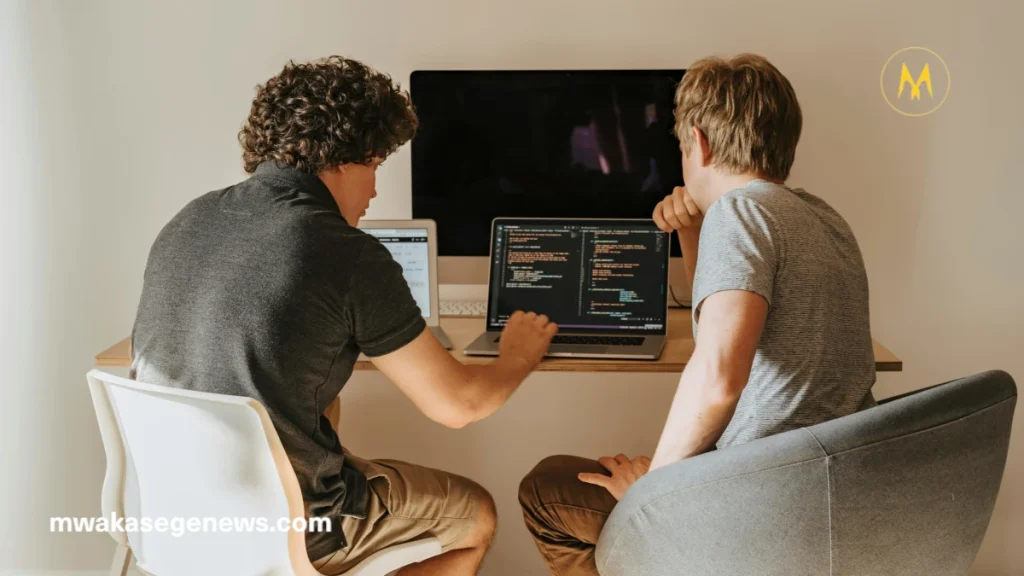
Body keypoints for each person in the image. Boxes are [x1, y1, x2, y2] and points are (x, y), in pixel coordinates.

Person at [130, 56, 557, 576]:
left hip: (170, 512)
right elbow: (458, 405)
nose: (375, 191)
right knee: (473, 515)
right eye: (375, 166)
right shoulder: (341, 250)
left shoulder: (188, 219)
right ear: (343, 159)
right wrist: (518, 355)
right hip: (289, 526)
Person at [518, 53, 875, 575]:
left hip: (763, 505)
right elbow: (727, 314)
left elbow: (717, 380)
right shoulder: (822, 216)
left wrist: (654, 490)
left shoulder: (740, 212)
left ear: (698, 142)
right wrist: (691, 231)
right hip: (836, 492)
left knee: (546, 489)